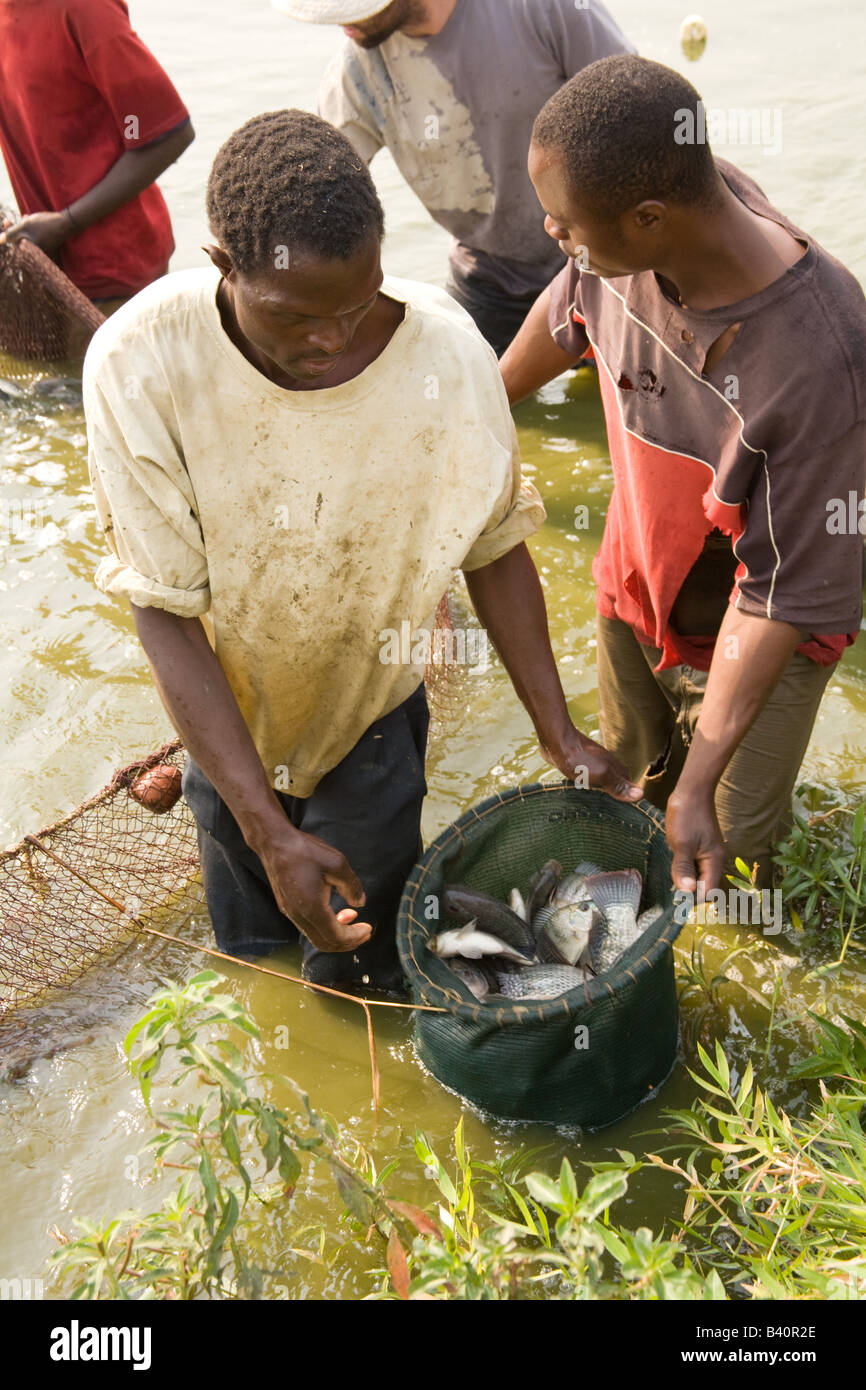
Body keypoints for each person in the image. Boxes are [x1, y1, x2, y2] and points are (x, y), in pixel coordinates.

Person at [83, 110, 641, 994]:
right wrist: (267, 831)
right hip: (225, 724)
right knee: (251, 960)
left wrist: (560, 733)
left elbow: (494, 546)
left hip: (371, 716)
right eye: (296, 315)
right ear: (224, 265)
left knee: (357, 978)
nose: (333, 337)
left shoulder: (446, 355)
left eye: (357, 303)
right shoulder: (140, 362)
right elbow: (166, 613)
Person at [500, 55, 866, 898]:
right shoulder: (631, 233)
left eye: (564, 223)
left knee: (727, 866)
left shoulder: (826, 364)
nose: (552, 232)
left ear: (649, 221)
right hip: (635, 587)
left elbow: (779, 596)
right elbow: (569, 307)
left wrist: (699, 788)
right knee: (626, 801)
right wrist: (483, 399)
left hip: (760, 630)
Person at [273, 0, 633, 356]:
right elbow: (320, 201)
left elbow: (637, 117)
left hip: (603, 257)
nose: (339, 22)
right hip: (487, 271)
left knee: (629, 384)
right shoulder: (354, 75)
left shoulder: (546, 10)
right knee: (453, 383)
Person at [0, 0, 193, 307]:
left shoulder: (87, 9)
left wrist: (66, 222)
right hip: (48, 260)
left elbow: (165, 136)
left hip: (115, 268)